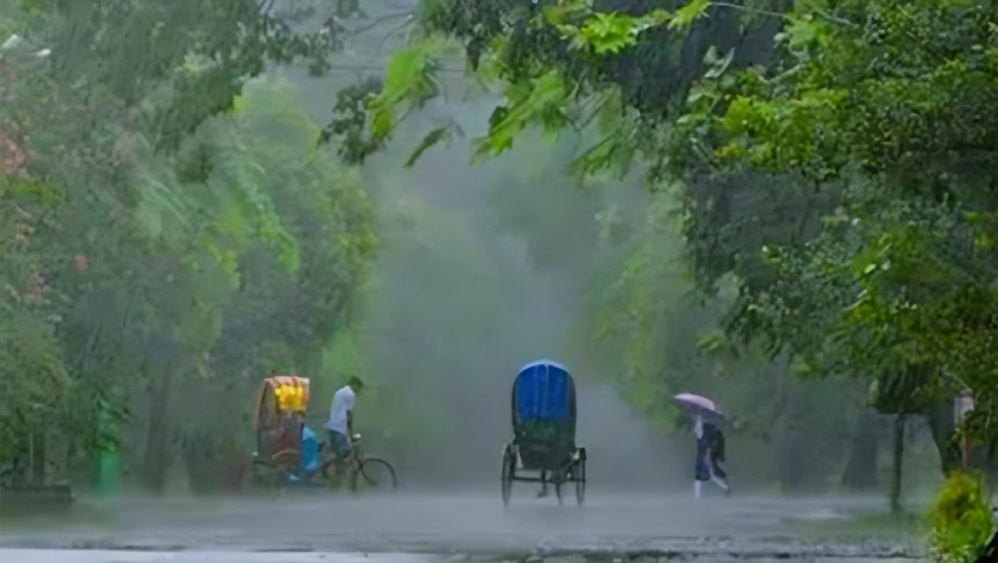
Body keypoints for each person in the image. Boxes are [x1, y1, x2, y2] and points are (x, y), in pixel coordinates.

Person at [325, 376, 363, 480]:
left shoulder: (340, 392)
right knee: (342, 456)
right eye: (358, 388)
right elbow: (349, 414)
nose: (358, 391)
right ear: (355, 385)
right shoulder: (351, 394)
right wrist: (350, 431)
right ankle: (336, 479)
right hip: (340, 428)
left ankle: (334, 477)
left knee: (337, 455)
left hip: (332, 426)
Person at [694, 413, 731, 498]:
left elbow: (706, 444)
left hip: (704, 455)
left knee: (708, 475)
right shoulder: (707, 430)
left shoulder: (705, 432)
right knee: (700, 476)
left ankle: (725, 487)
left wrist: (708, 454)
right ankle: (698, 497)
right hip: (702, 455)